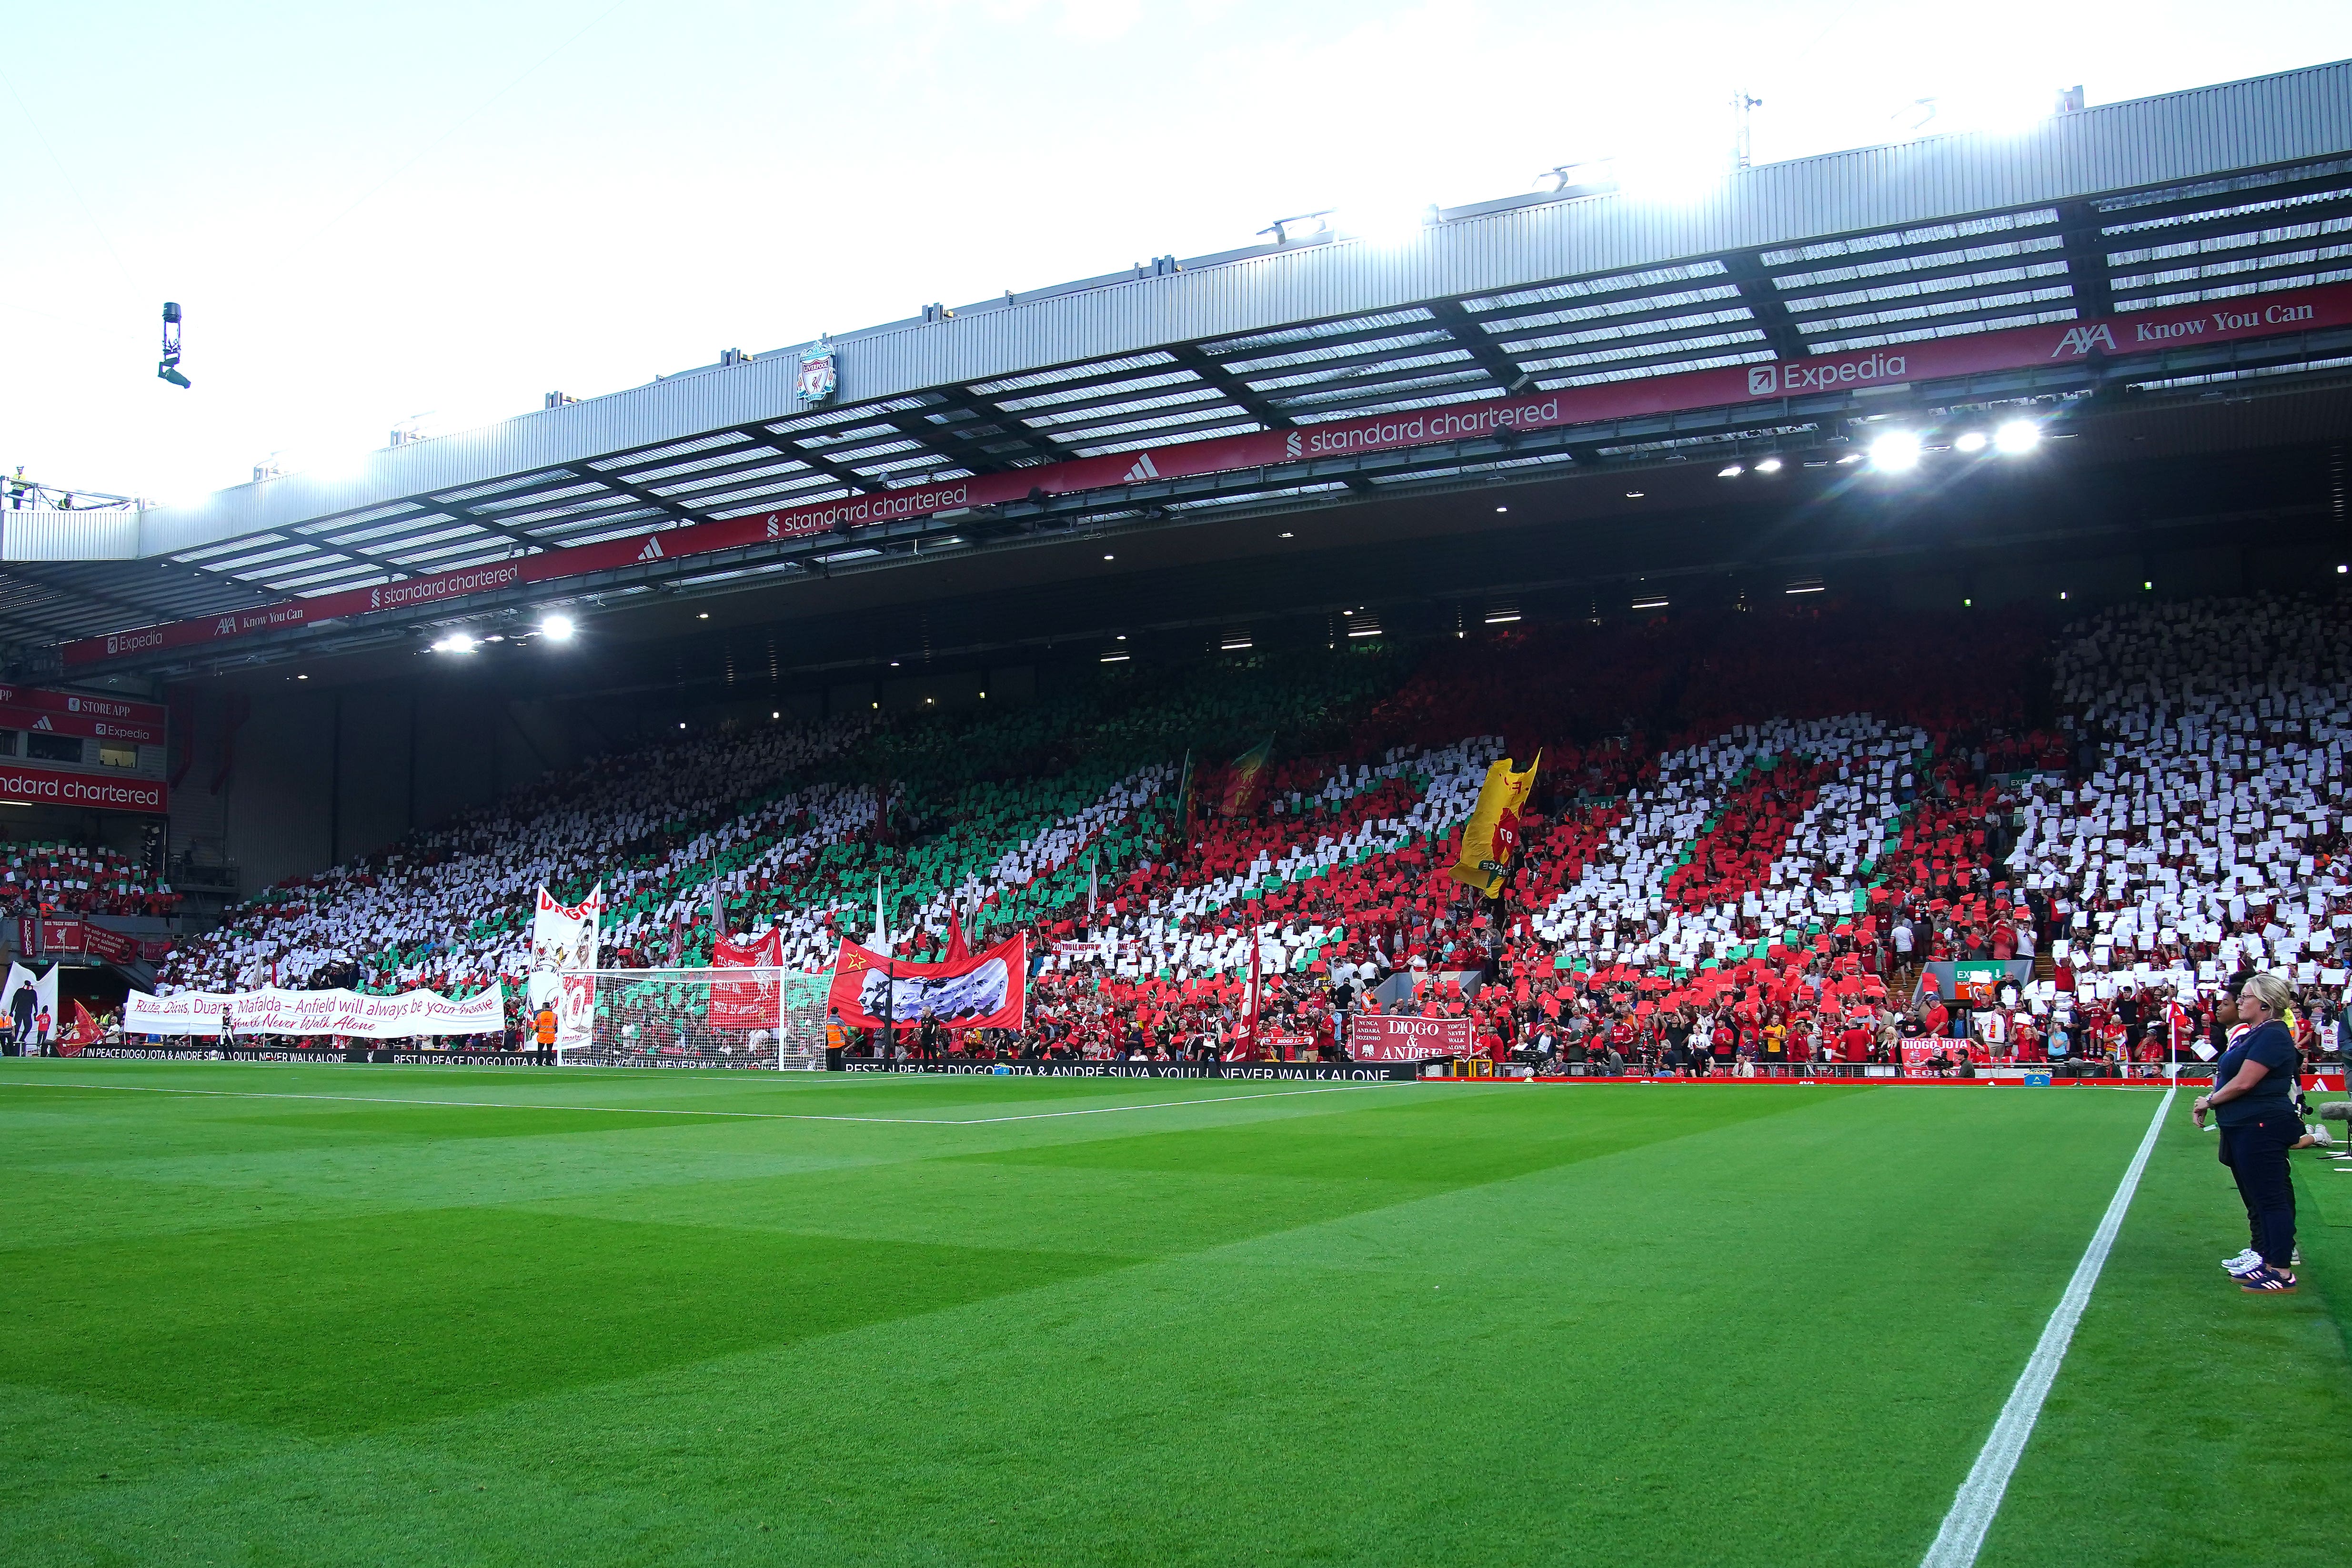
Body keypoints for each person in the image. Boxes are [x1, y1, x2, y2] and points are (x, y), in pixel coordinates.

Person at [2192, 972, 2302, 1293]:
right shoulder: (2258, 1033)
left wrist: (2210, 1101)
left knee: (2270, 1198)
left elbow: (2245, 1082)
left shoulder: (2273, 1035)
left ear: (2266, 1004)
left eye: (2247, 997)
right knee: (2260, 1198)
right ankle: (2267, 1259)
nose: (2240, 1000)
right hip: (2247, 1124)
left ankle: (2280, 1270)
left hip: (2261, 1125)